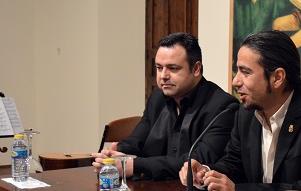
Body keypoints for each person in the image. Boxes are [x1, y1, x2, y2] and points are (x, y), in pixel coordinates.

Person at [180, 30, 301, 191]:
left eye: (245, 72)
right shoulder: (245, 114)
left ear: (277, 78)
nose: (235, 81)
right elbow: (234, 164)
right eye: (237, 71)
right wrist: (205, 174)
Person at [92, 33, 238, 180]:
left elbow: (197, 161)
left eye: (173, 68)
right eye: (159, 68)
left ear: (196, 69)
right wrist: (116, 154)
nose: (163, 76)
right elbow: (137, 139)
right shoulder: (157, 98)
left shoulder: (223, 107)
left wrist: (135, 165)